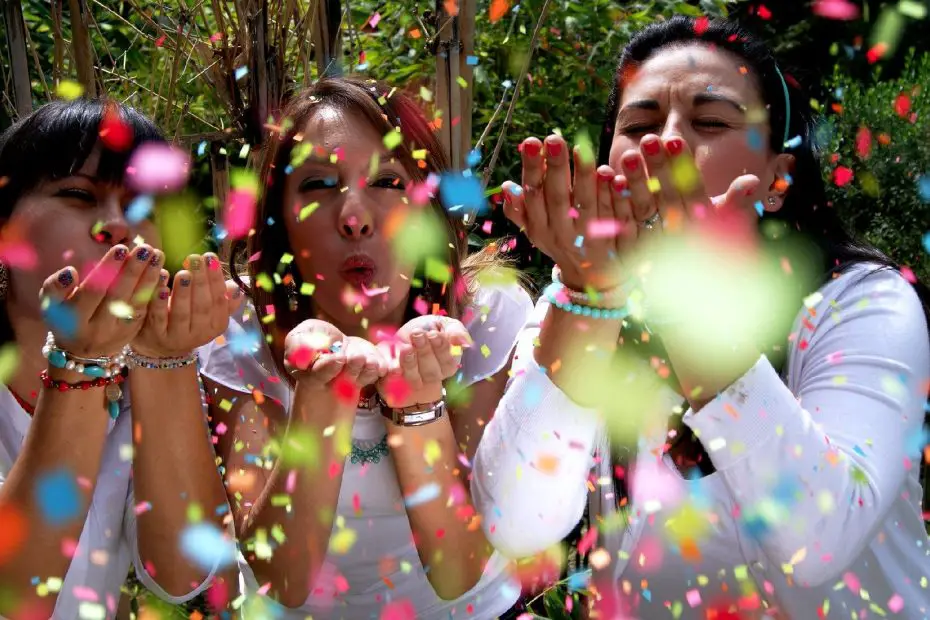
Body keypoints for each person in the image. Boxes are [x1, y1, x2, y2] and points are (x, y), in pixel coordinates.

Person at [472, 15, 930, 619]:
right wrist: (590, 296)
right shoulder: (579, 302)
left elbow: (821, 541)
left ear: (777, 178)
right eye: (637, 125)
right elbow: (514, 523)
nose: (667, 145)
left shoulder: (863, 302)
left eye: (710, 122)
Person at [197, 77, 532, 618]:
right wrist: (319, 400)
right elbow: (280, 578)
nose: (354, 216)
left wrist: (416, 405)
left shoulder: (484, 319)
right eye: (319, 185)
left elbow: (459, 569)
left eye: (388, 182)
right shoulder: (239, 334)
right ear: (279, 222)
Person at [0, 99, 237, 619]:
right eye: (79, 195)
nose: (116, 227)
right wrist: (80, 365)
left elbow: (183, 573)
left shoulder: (134, 381)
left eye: (142, 208)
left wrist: (163, 359)